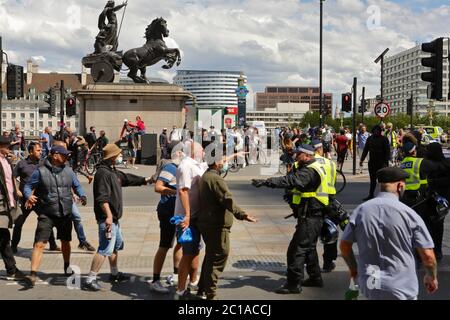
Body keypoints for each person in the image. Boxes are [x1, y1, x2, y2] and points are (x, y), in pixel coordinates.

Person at [340, 167, 438, 300]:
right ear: (400, 186)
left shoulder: (361, 211)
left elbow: (344, 246)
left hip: (371, 283)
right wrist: (431, 277)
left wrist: (353, 269)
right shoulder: (409, 215)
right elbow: (428, 257)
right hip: (401, 286)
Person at [252, 144, 329, 294]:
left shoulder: (309, 171)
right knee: (309, 248)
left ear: (307, 155)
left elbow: (290, 181)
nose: (295, 156)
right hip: (313, 215)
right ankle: (315, 278)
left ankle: (293, 284)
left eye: (298, 154)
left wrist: (267, 182)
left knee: (296, 250)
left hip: (311, 216)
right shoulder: (313, 166)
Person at [84, 144, 151, 291]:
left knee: (114, 246)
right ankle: (90, 278)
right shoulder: (103, 174)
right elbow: (102, 198)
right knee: (105, 248)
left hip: (114, 218)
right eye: (119, 154)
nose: (121, 156)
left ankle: (114, 273)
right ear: (113, 157)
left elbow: (126, 179)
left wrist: (146, 179)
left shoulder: (112, 171)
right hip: (107, 218)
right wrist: (108, 216)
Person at [197, 149, 257, 300]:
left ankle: (202, 288)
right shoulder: (216, 179)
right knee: (218, 257)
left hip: (208, 223)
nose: (225, 164)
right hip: (216, 225)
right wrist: (242, 215)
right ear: (217, 163)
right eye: (223, 161)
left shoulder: (207, 175)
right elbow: (227, 199)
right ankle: (211, 294)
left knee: (211, 256)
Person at [23, 145, 87, 286]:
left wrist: (82, 195)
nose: (67, 157)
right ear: (55, 155)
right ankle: (33, 274)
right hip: (46, 213)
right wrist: (28, 196)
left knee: (65, 241)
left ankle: (66, 266)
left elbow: (77, 185)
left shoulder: (69, 171)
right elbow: (27, 186)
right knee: (39, 243)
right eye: (64, 155)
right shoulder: (40, 172)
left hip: (65, 213)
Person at [11, 142, 60, 253]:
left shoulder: (43, 164)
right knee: (19, 223)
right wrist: (17, 189)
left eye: (41, 150)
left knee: (46, 222)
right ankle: (13, 246)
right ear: (31, 151)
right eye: (38, 150)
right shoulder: (22, 164)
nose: (40, 152)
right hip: (25, 201)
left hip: (40, 200)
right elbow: (13, 176)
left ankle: (52, 244)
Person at [174, 142, 208, 299]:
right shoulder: (186, 166)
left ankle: (193, 283)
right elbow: (183, 191)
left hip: (195, 217)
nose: (204, 150)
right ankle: (180, 290)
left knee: (195, 252)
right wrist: (187, 216)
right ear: (193, 151)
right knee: (187, 254)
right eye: (201, 148)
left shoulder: (197, 164)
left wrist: (234, 156)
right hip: (186, 218)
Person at [149, 142, 183, 293]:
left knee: (180, 243)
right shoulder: (170, 167)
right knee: (164, 245)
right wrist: (176, 192)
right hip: (167, 212)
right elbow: (158, 187)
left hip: (177, 212)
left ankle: (176, 275)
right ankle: (155, 280)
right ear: (178, 153)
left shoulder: (181, 168)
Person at [0, 136, 26, 280]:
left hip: (10, 201)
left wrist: (16, 189)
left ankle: (11, 269)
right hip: (0, 205)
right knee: (4, 237)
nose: (10, 147)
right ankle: (12, 269)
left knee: (5, 235)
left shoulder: (7, 161)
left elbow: (10, 179)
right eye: (7, 145)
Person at [311, 140, 338, 273]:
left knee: (310, 235)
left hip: (311, 202)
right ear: (320, 149)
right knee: (330, 232)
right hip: (329, 201)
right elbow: (333, 183)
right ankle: (328, 262)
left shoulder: (305, 162)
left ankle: (311, 264)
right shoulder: (331, 163)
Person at [424, 143, 450, 261]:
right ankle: (431, 249)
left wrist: (433, 181)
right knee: (429, 224)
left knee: (438, 225)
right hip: (428, 198)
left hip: (441, 199)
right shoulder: (426, 163)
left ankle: (437, 249)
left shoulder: (446, 164)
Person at [360, 125, 390, 201]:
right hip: (372, 162)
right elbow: (365, 150)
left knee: (383, 180)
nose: (376, 132)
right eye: (375, 130)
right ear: (373, 131)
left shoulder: (384, 139)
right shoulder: (370, 139)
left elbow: (387, 152)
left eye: (378, 130)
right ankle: (371, 194)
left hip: (382, 163)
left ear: (380, 131)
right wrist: (362, 160)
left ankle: (384, 195)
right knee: (372, 180)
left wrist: (386, 163)